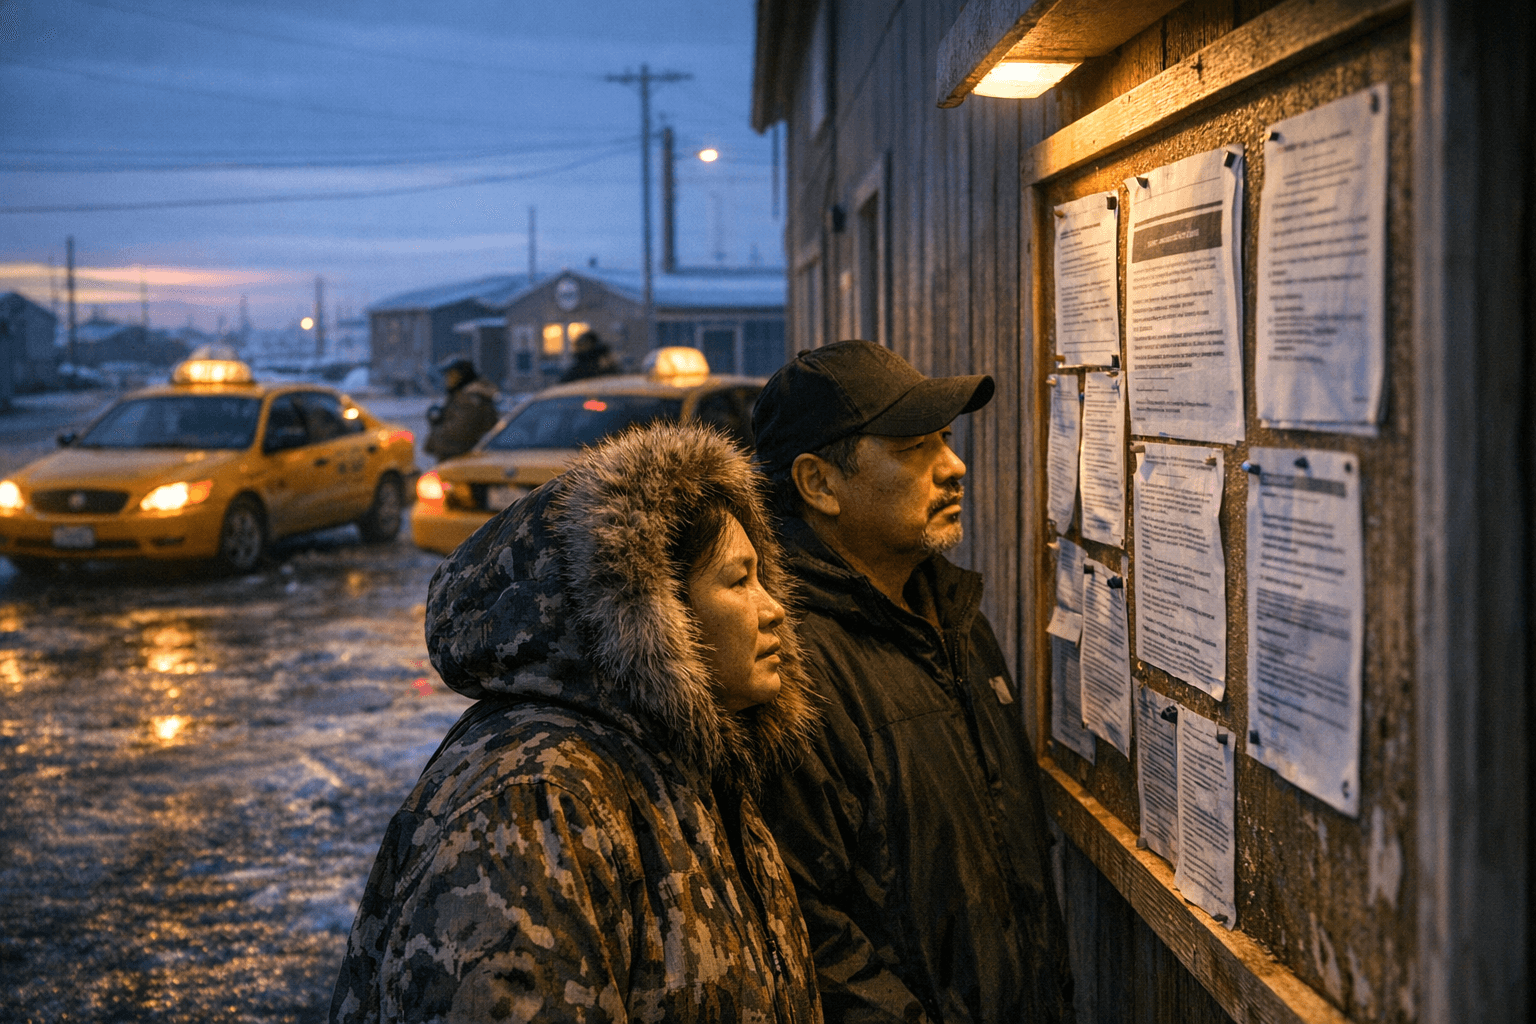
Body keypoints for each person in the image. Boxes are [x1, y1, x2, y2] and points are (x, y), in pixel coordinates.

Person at [330, 421, 825, 1024]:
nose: (774, 608)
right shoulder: (535, 804)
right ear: (654, 608)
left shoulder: (687, 765)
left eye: (763, 578)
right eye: (738, 580)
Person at [751, 340, 1076, 1024]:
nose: (954, 467)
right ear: (818, 484)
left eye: (946, 440)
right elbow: (811, 932)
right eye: (914, 448)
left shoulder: (954, 618)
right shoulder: (785, 662)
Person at [424, 354, 499, 460]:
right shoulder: (462, 396)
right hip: (462, 459)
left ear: (462, 376)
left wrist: (435, 433)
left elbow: (458, 432)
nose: (448, 379)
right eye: (447, 375)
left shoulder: (470, 399)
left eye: (452, 375)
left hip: (464, 459)